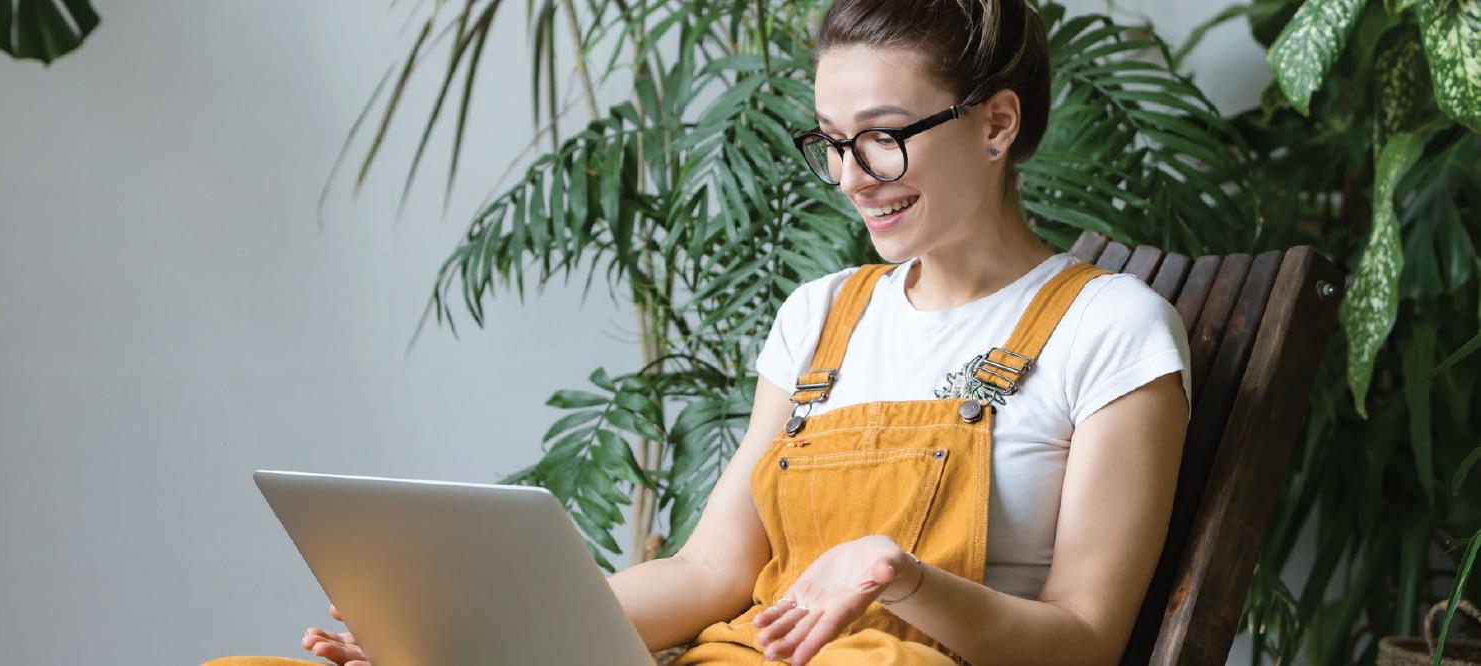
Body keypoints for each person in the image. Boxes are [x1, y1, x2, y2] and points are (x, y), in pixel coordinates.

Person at [296, 0, 1190, 663]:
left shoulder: (1108, 330)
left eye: (882, 138)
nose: (850, 178)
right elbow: (707, 576)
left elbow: (1084, 641)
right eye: (832, 142)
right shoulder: (821, 317)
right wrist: (471, 645)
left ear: (997, 122)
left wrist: (904, 578)